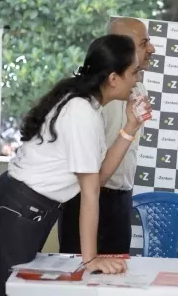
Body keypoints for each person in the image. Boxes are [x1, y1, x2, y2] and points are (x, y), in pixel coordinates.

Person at [0, 34, 149, 296]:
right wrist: (90, 260)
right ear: (114, 78)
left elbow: (98, 177)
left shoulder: (88, 104)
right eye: (134, 71)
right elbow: (91, 193)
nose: (138, 78)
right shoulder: (81, 112)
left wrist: (131, 127)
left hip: (29, 210)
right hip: (19, 210)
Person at [58, 17, 155, 255]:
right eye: (144, 43)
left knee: (117, 273)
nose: (151, 49)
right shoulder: (85, 105)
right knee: (78, 271)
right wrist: (89, 260)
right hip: (85, 196)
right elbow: (94, 181)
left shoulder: (138, 88)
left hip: (121, 197)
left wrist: (130, 128)